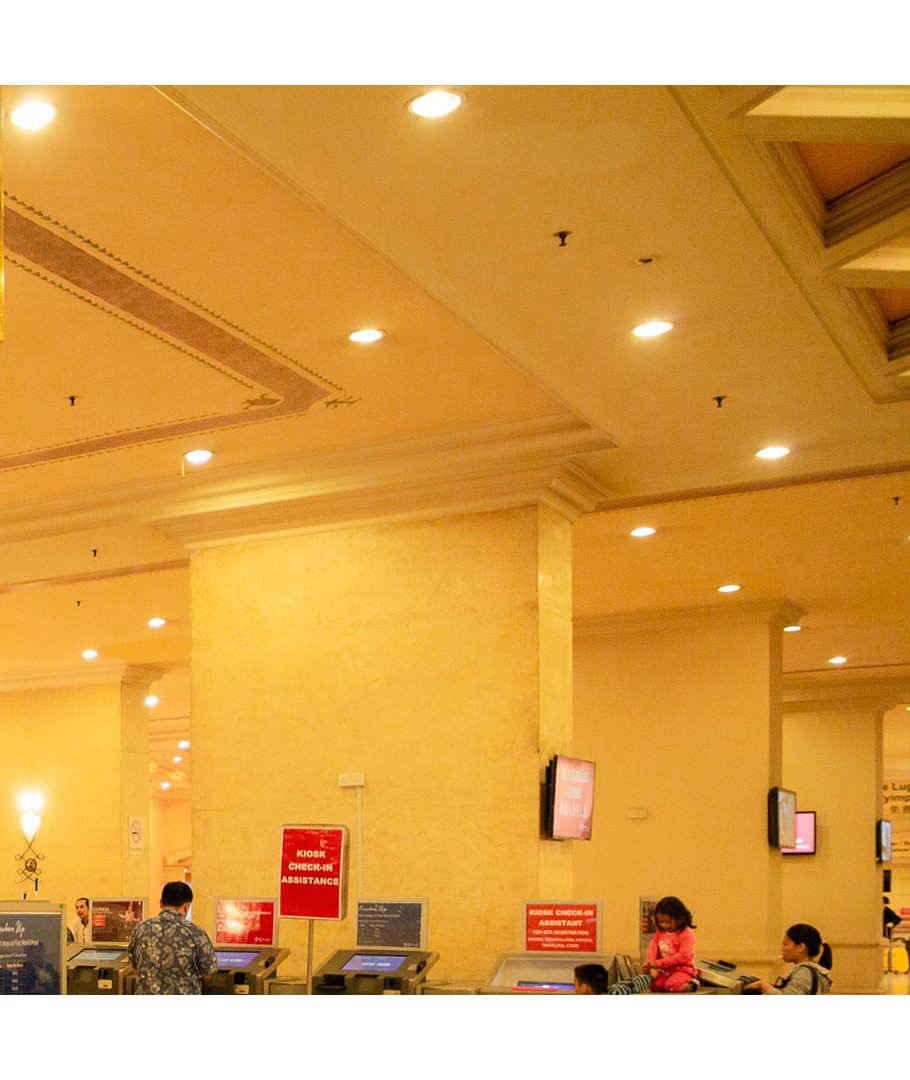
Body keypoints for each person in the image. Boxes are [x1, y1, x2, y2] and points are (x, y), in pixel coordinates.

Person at [128, 881, 217, 994]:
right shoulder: (195, 932)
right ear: (186, 906)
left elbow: (135, 969)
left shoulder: (140, 929)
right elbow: (208, 973)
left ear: (161, 903)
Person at [743, 923, 832, 994]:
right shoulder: (812, 971)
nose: (782, 949)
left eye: (785, 944)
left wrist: (763, 985)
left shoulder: (804, 973)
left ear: (801, 947)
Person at [642, 895, 698, 992]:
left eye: (667, 922)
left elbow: (684, 955)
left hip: (682, 970)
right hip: (664, 970)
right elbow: (653, 950)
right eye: (661, 922)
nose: (664, 925)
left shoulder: (686, 934)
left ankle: (692, 985)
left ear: (679, 919)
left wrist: (658, 963)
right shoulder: (659, 933)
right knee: (653, 984)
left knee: (671, 985)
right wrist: (649, 965)